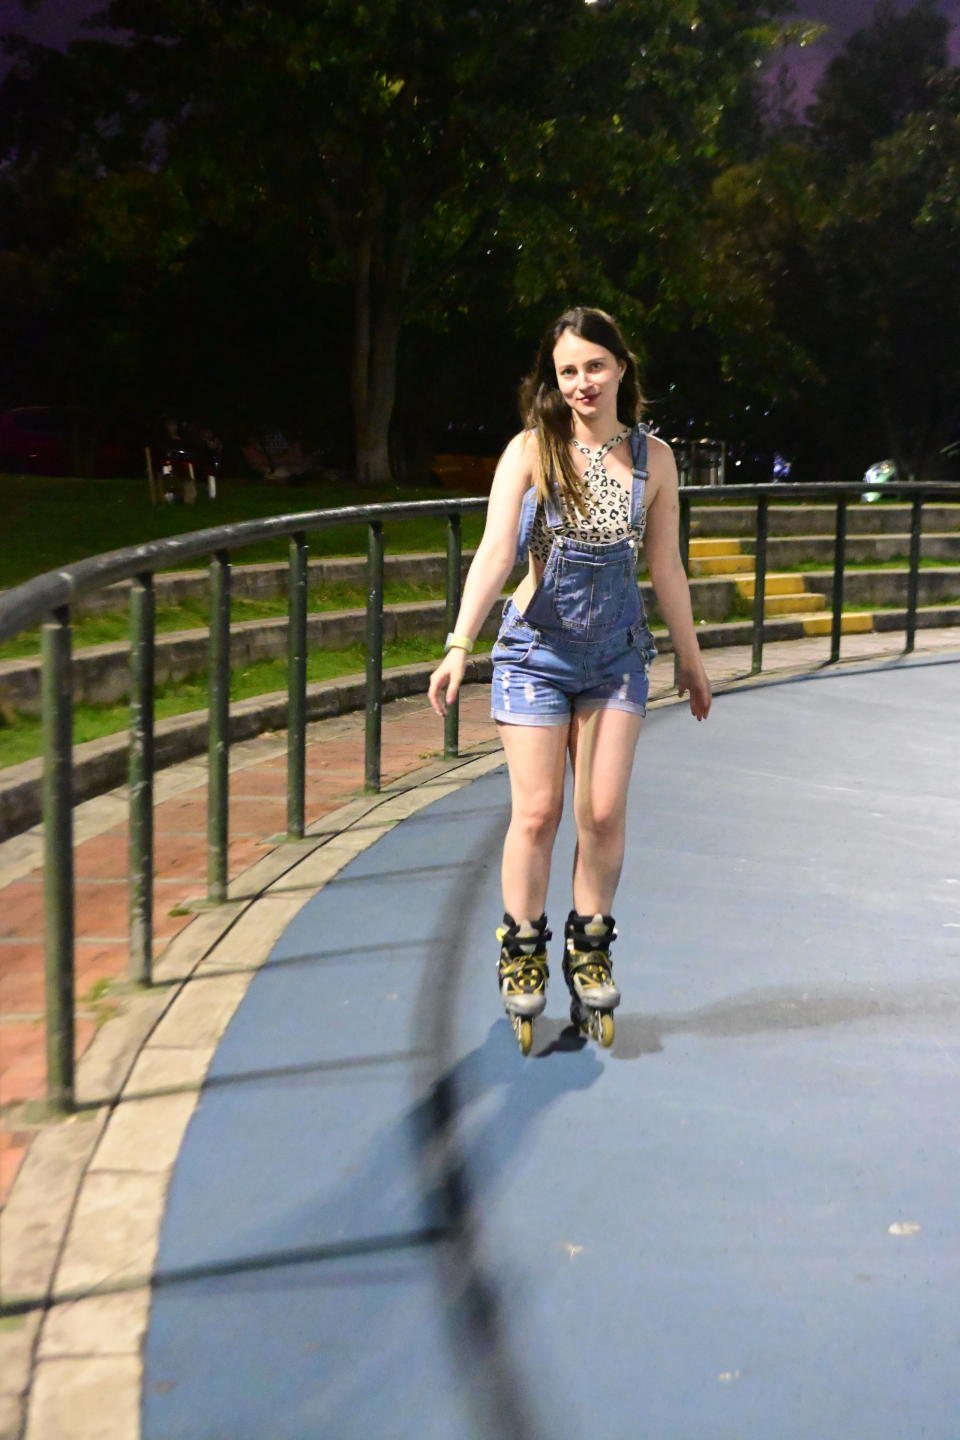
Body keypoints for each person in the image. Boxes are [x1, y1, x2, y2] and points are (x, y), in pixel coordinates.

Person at [428, 306, 712, 1052]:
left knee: (603, 811)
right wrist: (459, 643)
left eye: (594, 366)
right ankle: (523, 949)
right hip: (536, 654)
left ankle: (590, 950)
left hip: (616, 657)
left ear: (620, 367)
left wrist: (690, 656)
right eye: (567, 371)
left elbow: (666, 565)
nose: (582, 382)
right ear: (552, 381)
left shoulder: (656, 459)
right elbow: (496, 551)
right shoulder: (533, 449)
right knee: (537, 812)